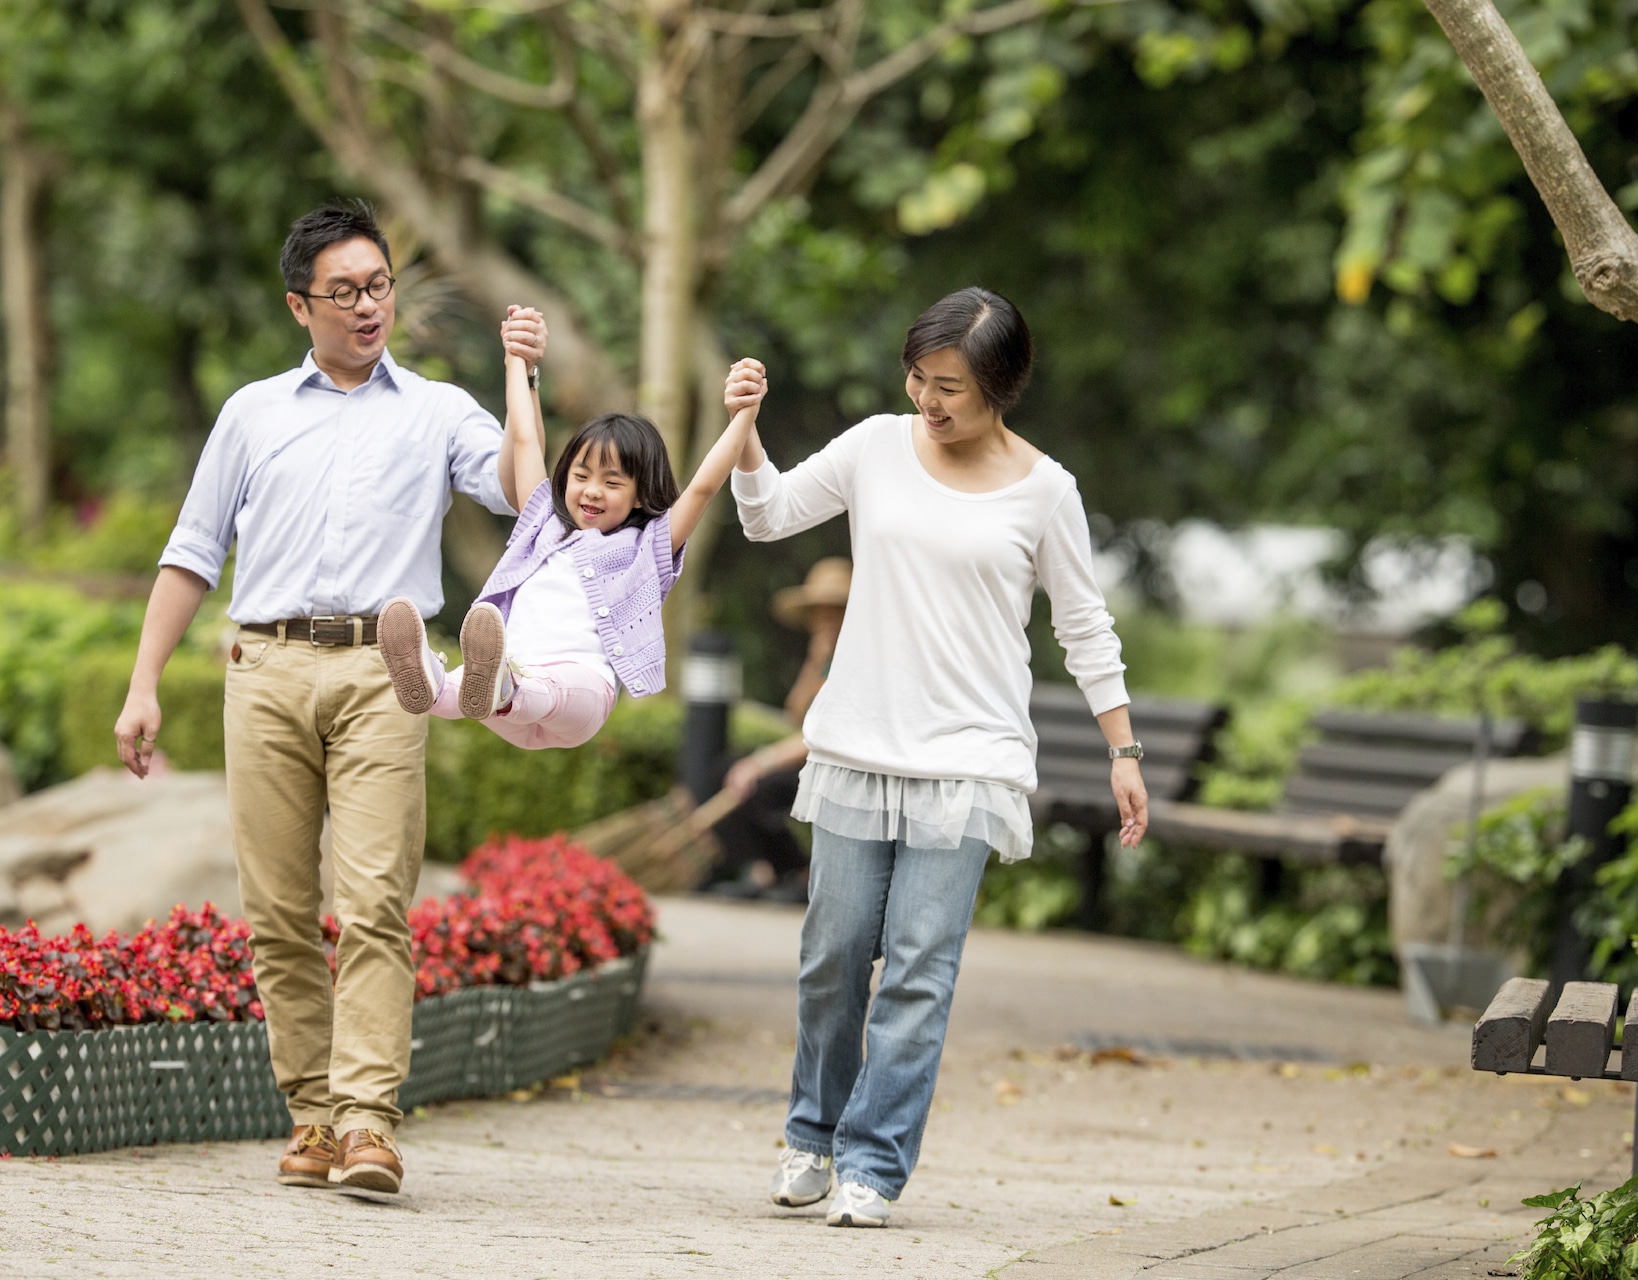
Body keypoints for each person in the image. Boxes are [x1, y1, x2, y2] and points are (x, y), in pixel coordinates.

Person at [112, 201, 546, 1197]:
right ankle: (311, 1114)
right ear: (299, 304)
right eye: (344, 291)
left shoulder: (438, 409)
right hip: (261, 670)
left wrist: (521, 378)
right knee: (274, 912)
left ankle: (366, 1122)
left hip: (383, 672)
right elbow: (190, 553)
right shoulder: (253, 412)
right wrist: (143, 684)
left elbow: (527, 493)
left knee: (377, 902)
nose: (367, 306)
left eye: (380, 286)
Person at [728, 287, 1148, 1228]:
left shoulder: (1047, 490)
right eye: (919, 378)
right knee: (833, 955)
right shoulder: (876, 446)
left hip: (969, 760)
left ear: (1001, 386)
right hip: (858, 743)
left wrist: (1124, 748)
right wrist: (747, 429)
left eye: (950, 385)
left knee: (920, 966)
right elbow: (765, 516)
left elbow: (1085, 627)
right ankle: (813, 1134)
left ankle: (873, 1164)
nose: (929, 399)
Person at [374, 331, 769, 749]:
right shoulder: (540, 521)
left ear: (641, 492)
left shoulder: (648, 546)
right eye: (581, 477)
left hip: (580, 693)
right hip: (507, 690)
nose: (592, 490)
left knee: (545, 685)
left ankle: (501, 687)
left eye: (611, 482)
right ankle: (428, 684)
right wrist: (517, 362)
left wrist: (743, 414)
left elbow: (703, 487)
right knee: (466, 686)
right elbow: (525, 438)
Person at [710, 557, 852, 897]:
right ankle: (770, 870)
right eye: (818, 611)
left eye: (832, 610)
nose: (823, 619)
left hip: (838, 764)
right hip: (814, 757)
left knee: (761, 784)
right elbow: (795, 714)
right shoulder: (824, 657)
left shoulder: (856, 658)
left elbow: (823, 734)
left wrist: (760, 762)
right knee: (727, 769)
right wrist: (815, 662)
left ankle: (800, 873)